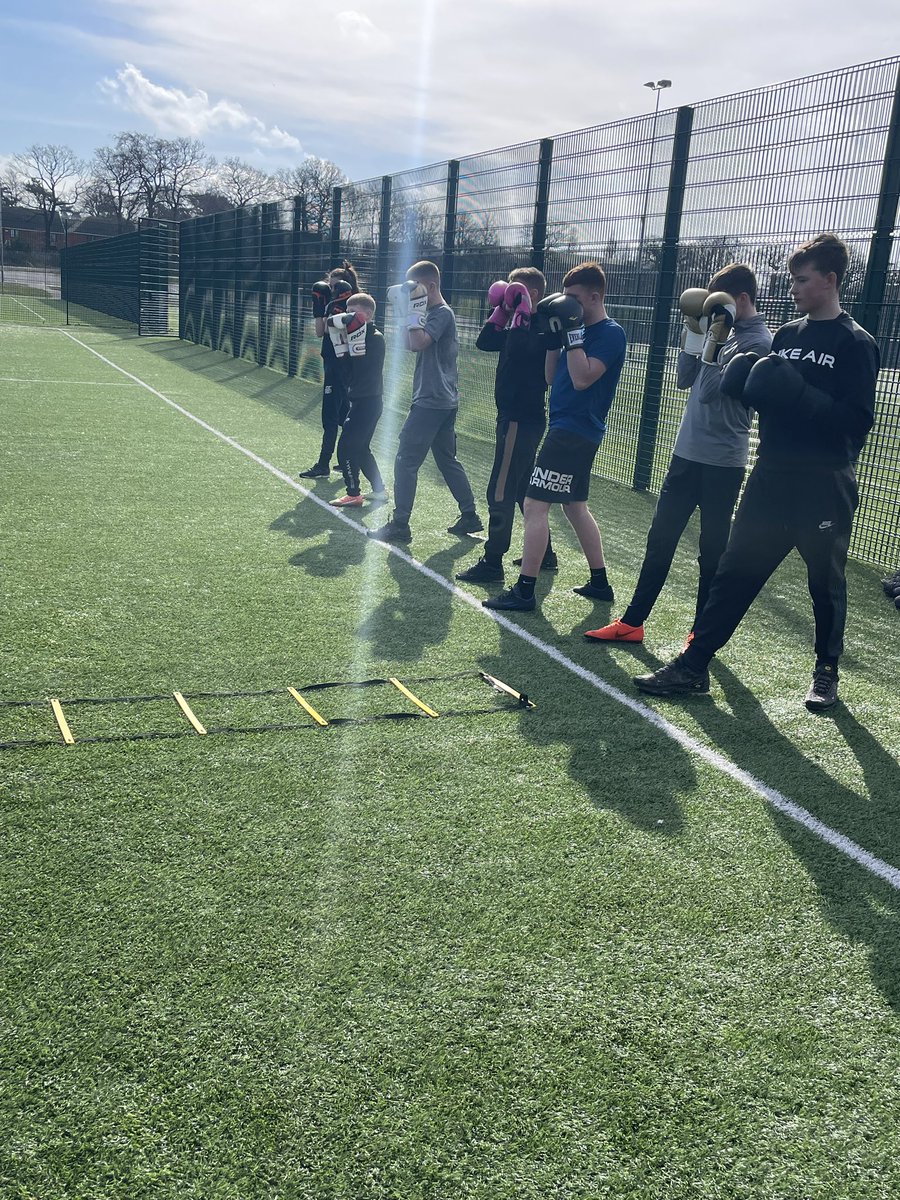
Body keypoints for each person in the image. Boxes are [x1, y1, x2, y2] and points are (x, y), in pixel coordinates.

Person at [634, 233, 880, 712]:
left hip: (823, 482)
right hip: (771, 476)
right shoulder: (787, 336)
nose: (793, 287)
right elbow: (765, 403)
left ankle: (826, 671)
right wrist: (750, 388)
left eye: (802, 279)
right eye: (792, 279)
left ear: (830, 280)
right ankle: (693, 664)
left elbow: (856, 426)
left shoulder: (856, 343)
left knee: (823, 583)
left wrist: (801, 395)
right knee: (734, 572)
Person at [585, 263, 772, 643]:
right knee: (660, 540)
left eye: (719, 303)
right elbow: (684, 378)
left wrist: (716, 338)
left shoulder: (759, 343)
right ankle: (633, 622)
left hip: (723, 461)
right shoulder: (723, 330)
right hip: (686, 453)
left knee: (711, 551)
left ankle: (701, 632)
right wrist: (692, 328)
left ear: (741, 300)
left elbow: (709, 391)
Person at [483, 261, 627, 612]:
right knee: (575, 507)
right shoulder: (572, 331)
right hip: (566, 426)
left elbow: (582, 378)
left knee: (534, 504)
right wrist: (553, 340)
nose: (570, 305)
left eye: (575, 299)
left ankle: (526, 590)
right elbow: (551, 378)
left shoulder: (610, 333)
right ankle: (600, 583)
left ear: (594, 297)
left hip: (574, 430)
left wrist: (573, 335)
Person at [368, 260, 483, 545]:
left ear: (430, 286)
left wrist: (412, 311)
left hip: (433, 400)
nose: (411, 296)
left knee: (406, 459)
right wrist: (412, 311)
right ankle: (470, 514)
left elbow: (417, 343)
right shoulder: (434, 312)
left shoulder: (441, 313)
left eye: (416, 290)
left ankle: (400, 524)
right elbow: (410, 344)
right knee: (446, 459)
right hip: (441, 398)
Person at [457, 267, 557, 584]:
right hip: (513, 417)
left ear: (534, 295)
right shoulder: (517, 321)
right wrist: (502, 311)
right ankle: (546, 554)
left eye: (518, 291)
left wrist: (523, 317)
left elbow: (517, 353)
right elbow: (485, 342)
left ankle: (492, 561)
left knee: (499, 489)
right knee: (522, 489)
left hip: (520, 418)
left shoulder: (540, 326)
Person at [298, 260, 358, 479]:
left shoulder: (352, 308)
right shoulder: (332, 305)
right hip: (332, 364)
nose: (330, 290)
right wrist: (320, 307)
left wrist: (336, 311)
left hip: (341, 368)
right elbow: (319, 332)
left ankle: (324, 464)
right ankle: (348, 461)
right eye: (329, 286)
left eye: (333, 287)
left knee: (330, 417)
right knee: (344, 416)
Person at [327, 293, 388, 508]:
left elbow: (363, 370)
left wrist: (352, 343)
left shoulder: (375, 337)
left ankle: (353, 493)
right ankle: (379, 490)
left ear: (368, 314)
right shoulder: (354, 335)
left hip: (368, 401)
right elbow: (347, 374)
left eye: (353, 312)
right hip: (360, 399)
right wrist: (342, 348)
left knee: (345, 448)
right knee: (361, 449)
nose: (348, 317)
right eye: (346, 312)